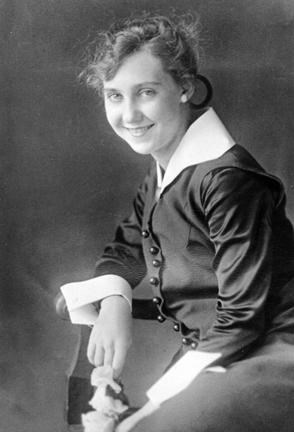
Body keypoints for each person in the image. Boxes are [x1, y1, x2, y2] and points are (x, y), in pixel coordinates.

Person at [61, 13, 294, 432]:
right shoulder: (163, 172)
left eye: (146, 92)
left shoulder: (228, 180)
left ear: (185, 87)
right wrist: (115, 301)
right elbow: (125, 252)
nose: (129, 114)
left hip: (268, 359)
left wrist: (151, 409)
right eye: (114, 96)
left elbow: (243, 316)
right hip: (217, 353)